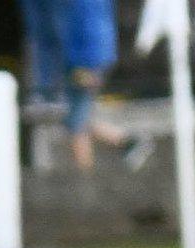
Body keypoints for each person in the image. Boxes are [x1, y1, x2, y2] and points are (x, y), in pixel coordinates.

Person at [62, 0, 151, 171]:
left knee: (76, 122)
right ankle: (128, 141)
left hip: (85, 63)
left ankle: (84, 175)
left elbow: (90, 28)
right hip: (88, 61)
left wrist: (88, 66)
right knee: (78, 118)